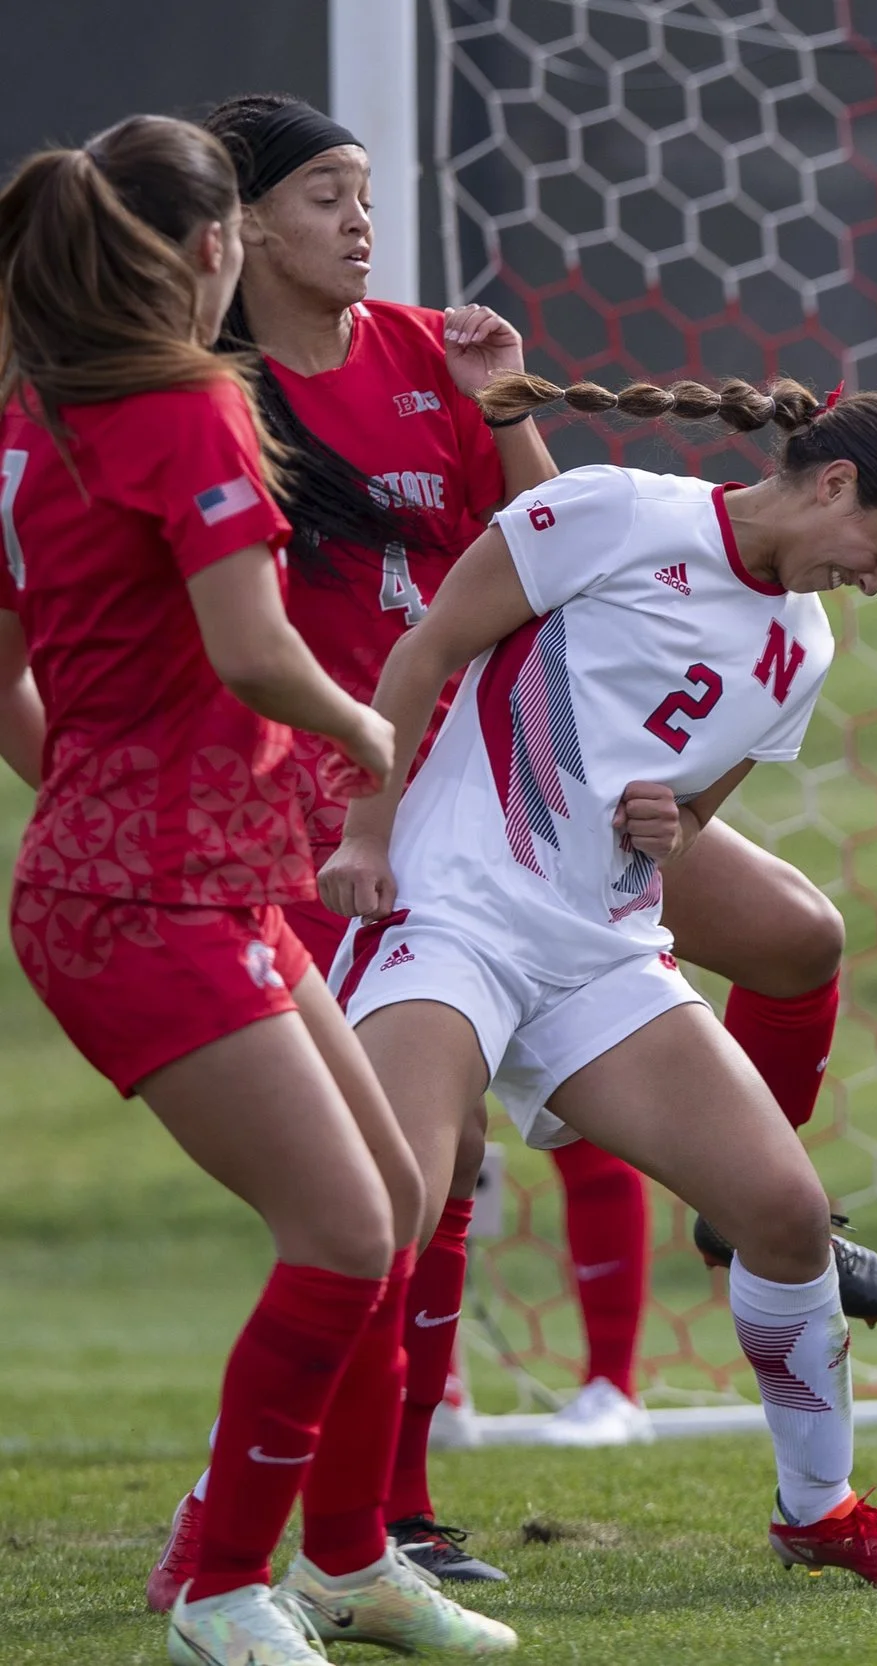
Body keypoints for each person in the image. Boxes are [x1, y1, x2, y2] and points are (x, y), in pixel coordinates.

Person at [143, 94, 877, 1603]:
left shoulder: (436, 352)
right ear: (237, 229)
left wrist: (504, 407)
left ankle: (738, 1232)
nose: (362, 221)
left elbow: (554, 532)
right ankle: (369, 1516)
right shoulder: (192, 391)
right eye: (326, 199)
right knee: (403, 1192)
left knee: (799, 944)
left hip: (517, 798)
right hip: (348, 793)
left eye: (368, 192)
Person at [0, 115, 511, 1663]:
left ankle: (351, 1559)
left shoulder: (34, 417)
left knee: (406, 1202)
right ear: (217, 248)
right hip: (154, 896)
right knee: (350, 1228)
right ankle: (222, 1585)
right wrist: (363, 726)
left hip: (168, 874)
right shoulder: (195, 407)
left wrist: (99, 800)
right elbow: (249, 647)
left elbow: (18, 688)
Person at [318, 368, 877, 1587]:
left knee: (783, 1216)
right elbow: (427, 649)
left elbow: (684, 814)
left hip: (599, 952)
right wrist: (365, 832)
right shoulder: (619, 511)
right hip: (450, 911)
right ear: (831, 482)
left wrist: (667, 819)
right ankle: (232, 1520)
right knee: (380, 1216)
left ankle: (815, 1510)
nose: (873, 582)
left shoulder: (803, 648)